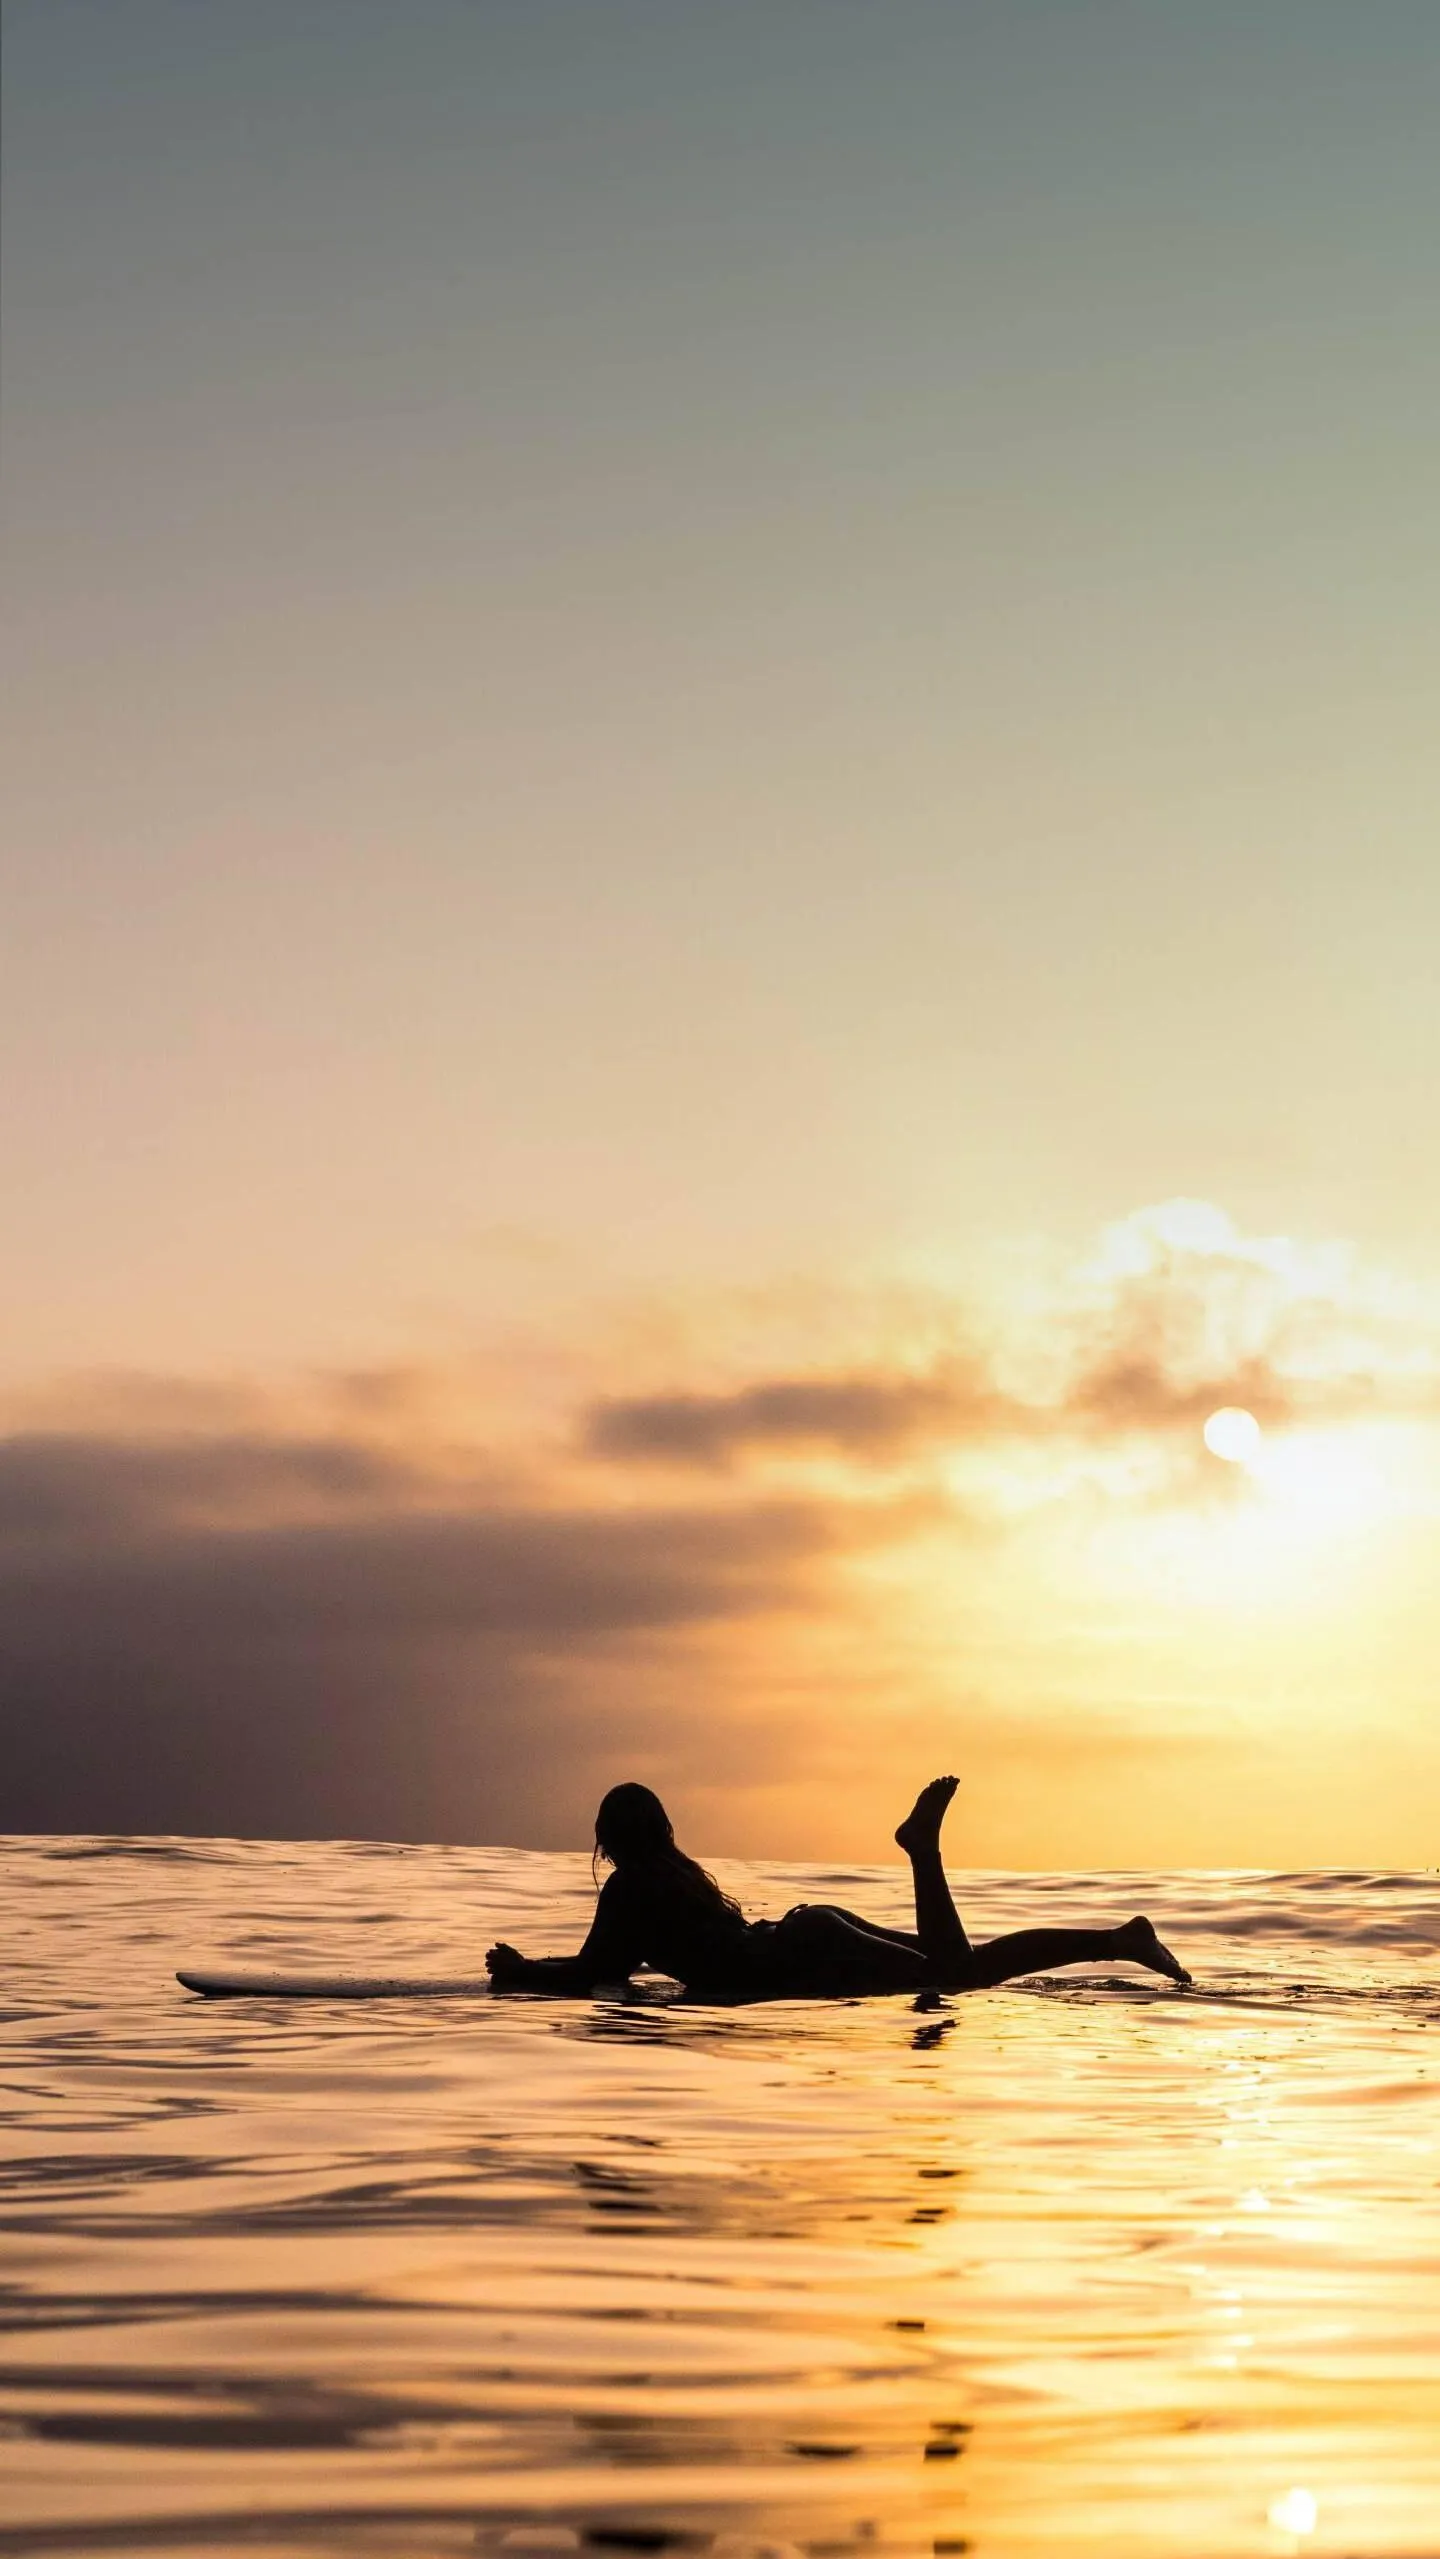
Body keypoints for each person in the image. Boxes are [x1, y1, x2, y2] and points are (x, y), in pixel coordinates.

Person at [485, 1775, 1191, 2000]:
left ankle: (922, 1851)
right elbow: (613, 1967)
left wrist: (521, 1973)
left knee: (954, 1977)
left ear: (608, 1839)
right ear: (662, 1828)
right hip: (804, 1932)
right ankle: (1115, 1938)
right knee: (969, 1966)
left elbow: (596, 1974)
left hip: (799, 1956)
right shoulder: (677, 1876)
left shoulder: (628, 1892)